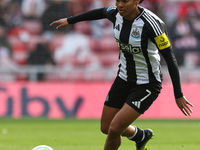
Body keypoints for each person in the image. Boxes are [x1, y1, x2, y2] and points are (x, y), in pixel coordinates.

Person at [50, 0, 194, 150]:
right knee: (106, 127)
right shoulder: (115, 14)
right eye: (118, 0)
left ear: (137, 1)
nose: (120, 4)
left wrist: (178, 94)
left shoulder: (152, 25)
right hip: (123, 78)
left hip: (147, 84)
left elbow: (170, 59)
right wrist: (70, 20)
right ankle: (140, 135)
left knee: (114, 129)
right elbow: (100, 12)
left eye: (125, 1)